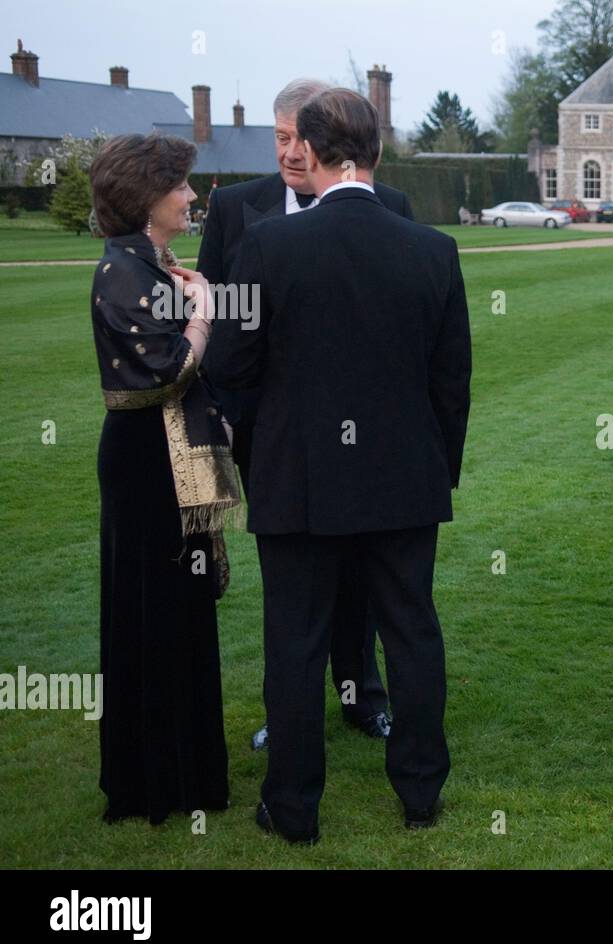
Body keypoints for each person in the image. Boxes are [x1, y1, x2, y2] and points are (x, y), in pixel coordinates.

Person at [207, 88, 471, 842]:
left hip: (301, 479)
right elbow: (451, 384)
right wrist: (434, 473)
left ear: (314, 157)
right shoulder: (433, 249)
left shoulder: (267, 247)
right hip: (403, 480)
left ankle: (292, 808)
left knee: (295, 639)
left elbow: (231, 369)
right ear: (376, 157)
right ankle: (420, 791)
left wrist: (267, 455)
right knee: (412, 632)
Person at [198, 78, 418, 751]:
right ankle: (287, 716)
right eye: (281, 137)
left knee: (361, 585)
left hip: (369, 440)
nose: (292, 152)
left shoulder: (392, 205)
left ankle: (363, 697)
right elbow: (222, 332)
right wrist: (235, 428)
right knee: (291, 594)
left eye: (302, 138)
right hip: (278, 439)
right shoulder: (238, 209)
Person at [88, 132, 241, 823]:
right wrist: (205, 311)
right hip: (147, 464)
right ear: (146, 196)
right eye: (179, 186)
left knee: (181, 611)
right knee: (153, 612)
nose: (188, 197)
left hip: (168, 453)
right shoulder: (123, 271)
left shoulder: (151, 264)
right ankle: (157, 783)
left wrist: (193, 291)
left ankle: (187, 774)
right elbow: (168, 369)